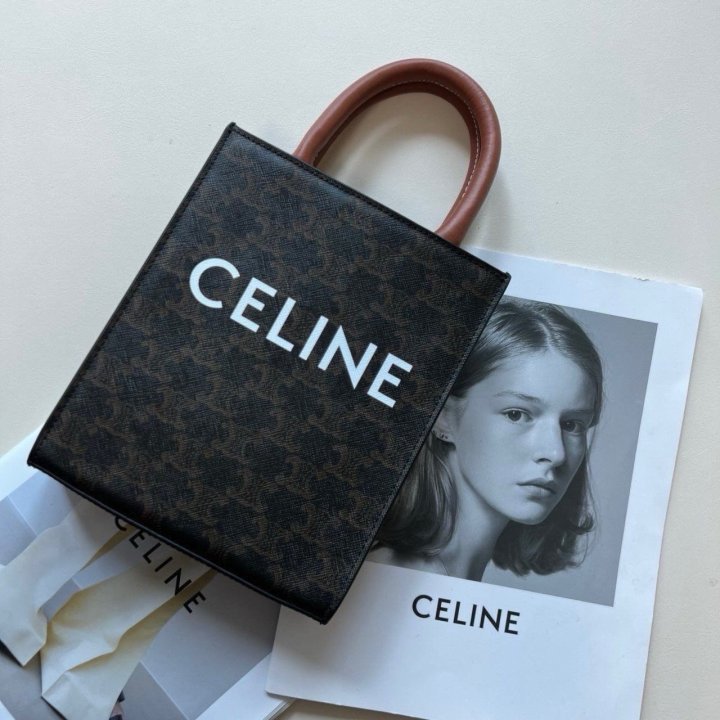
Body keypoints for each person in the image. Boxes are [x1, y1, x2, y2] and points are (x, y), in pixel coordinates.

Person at [370, 298, 603, 581]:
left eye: (571, 425)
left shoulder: (448, 576)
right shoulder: (393, 576)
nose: (556, 453)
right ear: (443, 416)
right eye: (517, 414)